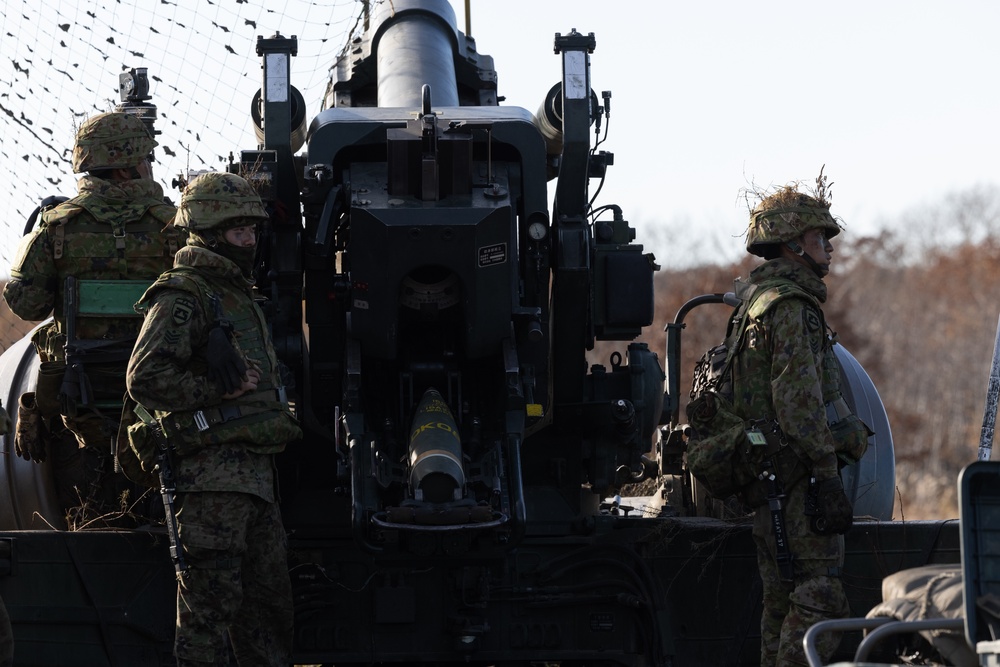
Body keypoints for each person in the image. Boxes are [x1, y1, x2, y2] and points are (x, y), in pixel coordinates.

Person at [126, 171, 300, 666]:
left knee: (268, 616)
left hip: (253, 479)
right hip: (209, 485)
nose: (249, 240)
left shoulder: (235, 294)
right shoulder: (186, 294)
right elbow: (145, 377)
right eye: (237, 231)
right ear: (208, 233)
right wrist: (215, 388)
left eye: (251, 230)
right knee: (208, 615)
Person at [3, 110, 183, 523]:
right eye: (145, 159)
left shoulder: (57, 228)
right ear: (126, 168)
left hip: (79, 405)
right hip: (161, 405)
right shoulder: (177, 227)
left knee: (88, 528)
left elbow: (28, 306)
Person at [730, 176, 870, 666]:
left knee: (779, 608)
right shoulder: (791, 308)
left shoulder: (753, 306)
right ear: (793, 246)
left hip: (771, 482)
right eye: (819, 239)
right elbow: (799, 403)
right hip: (798, 484)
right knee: (819, 603)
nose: (829, 249)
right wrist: (828, 479)